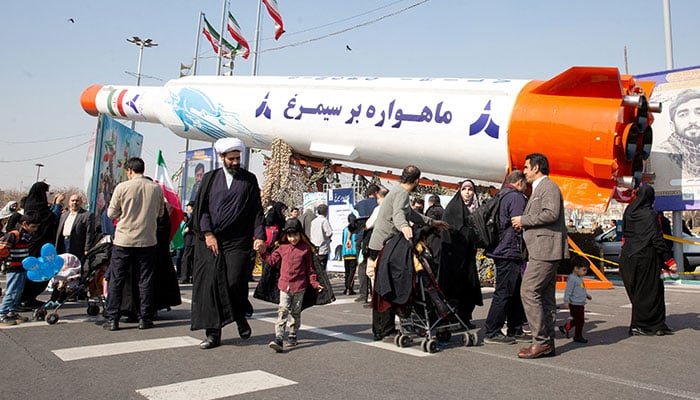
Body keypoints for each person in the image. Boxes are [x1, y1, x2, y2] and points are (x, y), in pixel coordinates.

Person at [190, 138, 266, 350]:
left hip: (238, 241)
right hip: (211, 240)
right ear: (221, 158)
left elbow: (257, 212)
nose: (235, 162)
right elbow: (201, 209)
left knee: (234, 282)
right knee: (211, 286)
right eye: (231, 159)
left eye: (238, 158)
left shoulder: (249, 180)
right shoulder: (209, 179)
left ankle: (240, 313)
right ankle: (213, 334)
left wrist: (259, 236)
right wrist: (208, 233)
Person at [367, 165, 449, 341]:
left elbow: (410, 213)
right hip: (384, 245)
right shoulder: (402, 193)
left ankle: (379, 329)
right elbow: (399, 215)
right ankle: (386, 330)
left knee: (381, 287)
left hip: (379, 244)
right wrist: (405, 228)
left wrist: (432, 222)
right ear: (417, 180)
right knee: (387, 286)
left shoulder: (396, 190)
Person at [511, 153, 569, 359]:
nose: (524, 171)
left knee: (528, 290)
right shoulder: (538, 188)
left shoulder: (549, 187)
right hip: (541, 249)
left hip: (545, 250)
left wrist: (524, 220)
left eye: (526, 167)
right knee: (544, 296)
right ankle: (546, 343)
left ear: (536, 168)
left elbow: (551, 213)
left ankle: (541, 341)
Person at [103, 157, 165, 331]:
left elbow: (111, 214)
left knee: (117, 279)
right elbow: (160, 213)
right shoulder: (156, 189)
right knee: (145, 280)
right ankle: (145, 317)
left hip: (124, 240)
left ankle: (113, 318)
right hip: (147, 239)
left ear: (129, 170)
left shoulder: (122, 187)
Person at [258, 218, 323, 352]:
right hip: (284, 286)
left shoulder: (305, 249)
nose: (293, 238)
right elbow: (271, 261)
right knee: (282, 312)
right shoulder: (281, 248)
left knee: (295, 312)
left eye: (295, 235)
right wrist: (262, 252)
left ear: (301, 234)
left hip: (300, 287)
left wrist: (315, 283)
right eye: (290, 235)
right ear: (285, 236)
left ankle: (293, 333)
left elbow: (310, 270)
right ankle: (279, 338)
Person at [619, 184, 676, 336]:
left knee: (637, 294)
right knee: (652, 293)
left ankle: (642, 325)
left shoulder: (629, 211)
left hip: (628, 258)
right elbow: (656, 239)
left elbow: (625, 234)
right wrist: (669, 260)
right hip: (646, 258)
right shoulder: (650, 215)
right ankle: (650, 325)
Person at [483, 170, 529, 344]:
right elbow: (518, 224)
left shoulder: (501, 194)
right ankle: (492, 330)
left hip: (501, 249)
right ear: (519, 182)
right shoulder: (516, 197)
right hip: (509, 250)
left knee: (514, 291)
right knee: (504, 292)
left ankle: (515, 328)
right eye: (525, 184)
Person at [437, 179, 483, 329]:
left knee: (468, 290)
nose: (468, 192)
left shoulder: (476, 208)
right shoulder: (453, 208)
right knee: (454, 289)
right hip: (453, 258)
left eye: (470, 189)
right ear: (460, 191)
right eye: (464, 189)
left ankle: (464, 318)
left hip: (468, 257)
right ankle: (451, 318)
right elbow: (452, 231)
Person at [20, 182, 63, 309]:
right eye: (46, 191)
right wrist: (57, 205)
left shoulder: (37, 204)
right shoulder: (35, 206)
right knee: (36, 271)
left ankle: (29, 298)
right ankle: (24, 299)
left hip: (41, 245)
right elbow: (50, 219)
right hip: (37, 246)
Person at [0, 212, 41, 325]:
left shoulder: (26, 235)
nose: (35, 229)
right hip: (13, 268)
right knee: (11, 291)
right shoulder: (14, 235)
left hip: (22, 268)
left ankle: (11, 312)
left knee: (18, 291)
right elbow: (2, 249)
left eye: (37, 227)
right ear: (24, 224)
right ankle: (2, 314)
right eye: (33, 226)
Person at [654, 89, 700, 175]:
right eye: (683, 115)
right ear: (672, 125)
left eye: (699, 113)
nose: (692, 120)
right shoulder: (662, 153)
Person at [353, 184, 380, 303]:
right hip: (376, 238)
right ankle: (375, 293)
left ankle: (363, 295)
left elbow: (351, 220)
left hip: (361, 238)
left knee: (362, 265)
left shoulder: (359, 205)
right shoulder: (379, 205)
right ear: (376, 193)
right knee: (375, 266)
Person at [559, 255, 593, 344]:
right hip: (575, 304)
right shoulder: (572, 279)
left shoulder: (579, 279)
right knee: (580, 320)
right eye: (584, 270)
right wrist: (566, 301)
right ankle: (578, 336)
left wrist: (586, 295)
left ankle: (565, 327)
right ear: (576, 268)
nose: (585, 272)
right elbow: (568, 291)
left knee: (578, 320)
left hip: (580, 303)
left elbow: (581, 289)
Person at [55, 194, 95, 265]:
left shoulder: (87, 215)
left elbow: (89, 233)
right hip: (63, 244)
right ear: (69, 202)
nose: (74, 203)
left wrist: (87, 248)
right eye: (72, 201)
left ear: (81, 202)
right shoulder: (64, 215)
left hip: (77, 246)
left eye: (77, 201)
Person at [310, 203, 332, 271]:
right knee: (322, 268)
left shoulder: (313, 221)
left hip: (314, 247)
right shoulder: (324, 220)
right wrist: (329, 239)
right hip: (322, 248)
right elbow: (329, 233)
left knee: (316, 268)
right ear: (326, 211)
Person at [341, 214, 358, 295]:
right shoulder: (356, 229)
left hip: (345, 252)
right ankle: (349, 287)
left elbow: (342, 241)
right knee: (352, 271)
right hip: (353, 252)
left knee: (347, 271)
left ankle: (346, 287)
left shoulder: (344, 229)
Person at [179, 202, 195, 284]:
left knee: (186, 259)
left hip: (190, 240)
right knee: (193, 259)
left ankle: (185, 277)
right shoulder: (196, 215)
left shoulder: (192, 216)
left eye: (188, 207)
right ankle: (193, 277)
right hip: (194, 240)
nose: (187, 209)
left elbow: (188, 228)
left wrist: (185, 231)